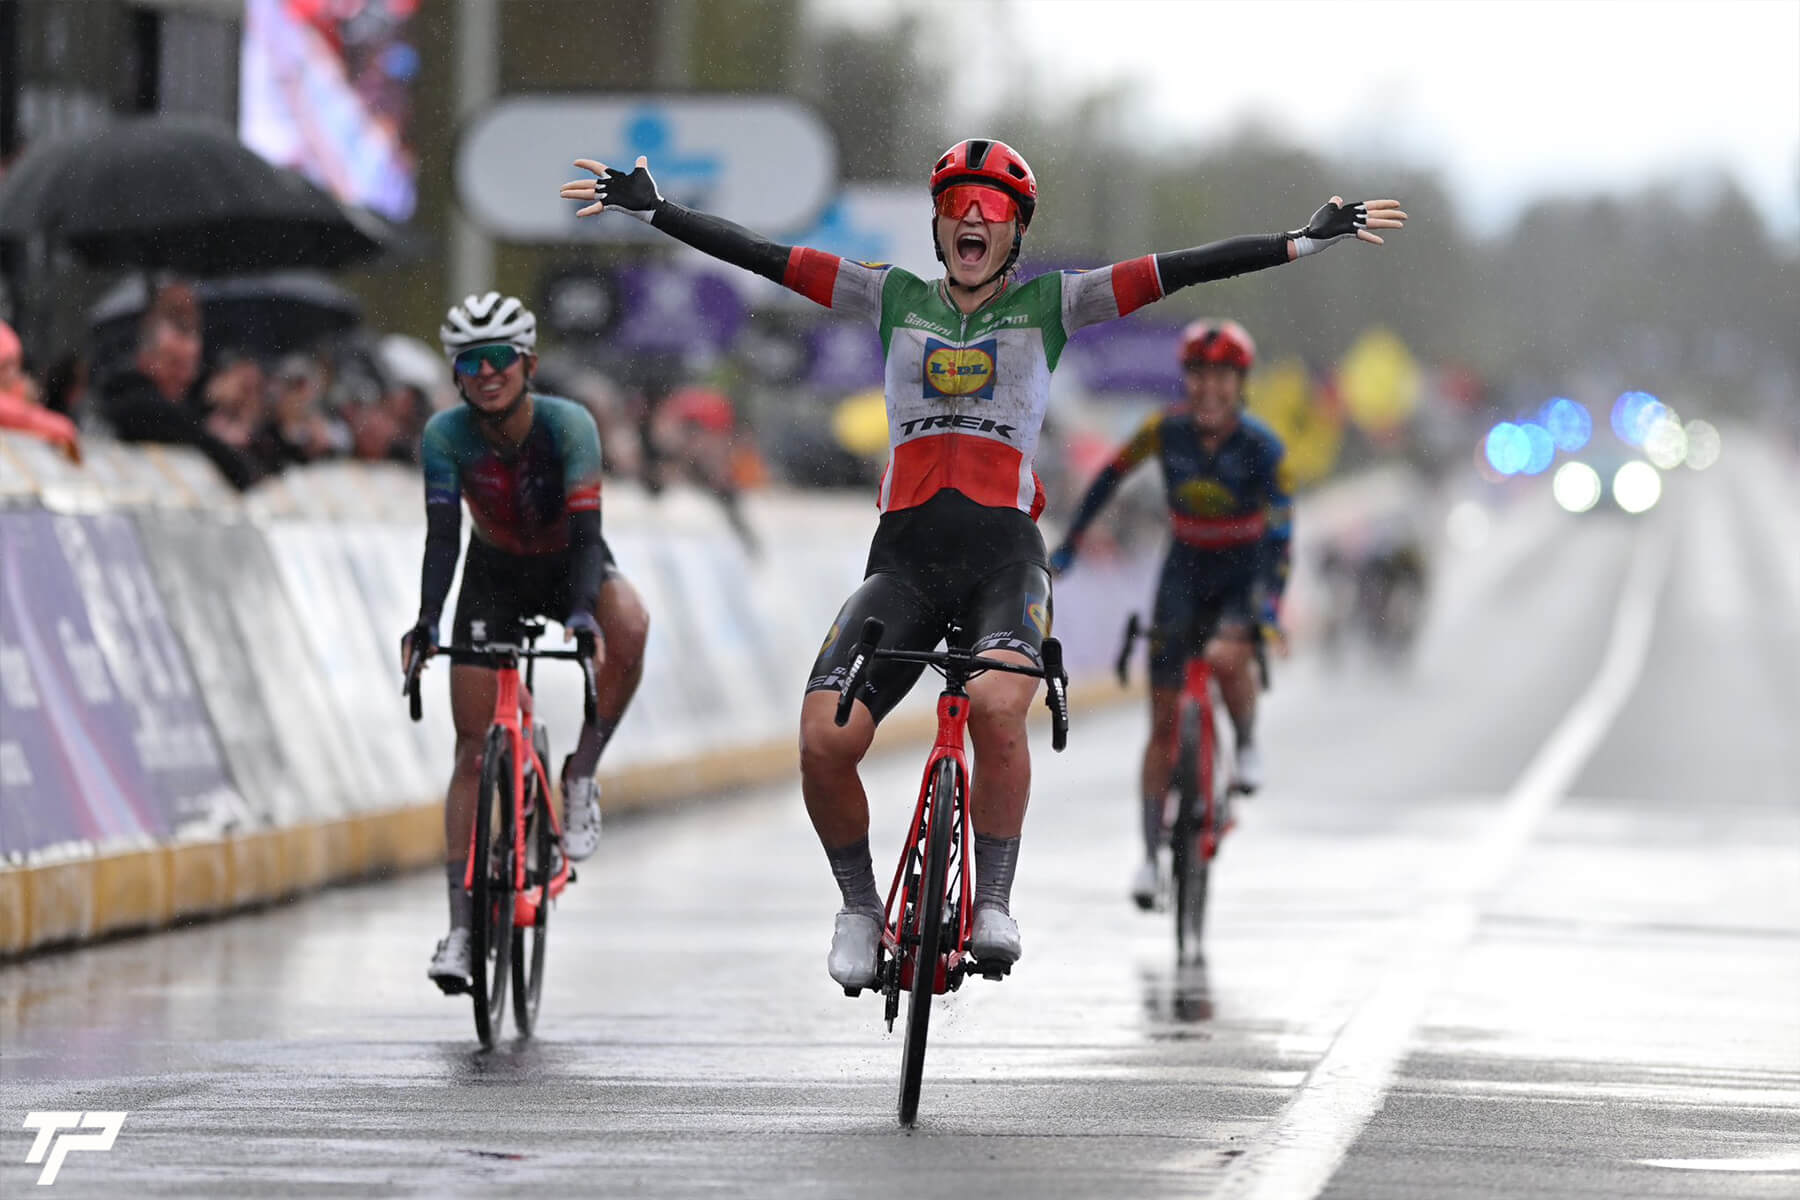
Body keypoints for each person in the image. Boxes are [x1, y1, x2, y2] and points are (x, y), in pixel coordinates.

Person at [560, 139, 1406, 988]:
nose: (973, 217)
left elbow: (1178, 269)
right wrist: (657, 212)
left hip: (1006, 558)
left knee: (1001, 708)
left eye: (992, 208)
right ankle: (860, 908)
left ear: (1017, 231)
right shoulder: (888, 295)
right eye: (957, 203)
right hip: (905, 563)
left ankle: (994, 900)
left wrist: (1296, 243)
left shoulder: (1056, 305)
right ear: (935, 224)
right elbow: (769, 258)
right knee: (823, 740)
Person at [401, 292, 651, 995]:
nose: (486, 373)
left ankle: (579, 774)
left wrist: (580, 613)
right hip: (493, 575)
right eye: (469, 362)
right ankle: (459, 929)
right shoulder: (445, 435)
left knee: (629, 620)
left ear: (528, 364)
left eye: (499, 359)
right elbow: (443, 537)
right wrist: (425, 621)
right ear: (455, 373)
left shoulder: (570, 424)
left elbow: (588, 532)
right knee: (473, 749)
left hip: (568, 561)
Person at [1048, 320, 1291, 908]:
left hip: (1240, 571)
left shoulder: (1263, 447)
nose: (1210, 390)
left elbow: (1281, 537)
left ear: (1241, 385)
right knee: (1160, 725)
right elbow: (1110, 475)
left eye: (1223, 379)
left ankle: (1247, 739)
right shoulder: (1164, 431)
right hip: (1182, 571)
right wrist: (1074, 541)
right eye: (1199, 377)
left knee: (1227, 656)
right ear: (1186, 381)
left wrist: (1268, 610)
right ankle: (1151, 856)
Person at [96, 312, 262, 489]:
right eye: (174, 363)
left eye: (191, 365)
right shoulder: (132, 401)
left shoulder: (184, 408)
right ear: (145, 360)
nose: (185, 376)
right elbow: (170, 421)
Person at [0, 319, 81, 462]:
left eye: (15, 364)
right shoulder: (14, 406)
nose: (12, 373)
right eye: (4, 366)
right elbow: (23, 417)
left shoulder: (21, 396)